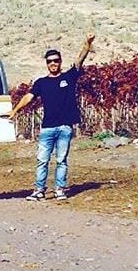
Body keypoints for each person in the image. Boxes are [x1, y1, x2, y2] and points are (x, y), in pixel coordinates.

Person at [6, 33, 95, 202]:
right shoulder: (41, 82)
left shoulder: (69, 77)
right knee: (42, 161)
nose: (53, 63)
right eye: (49, 61)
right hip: (47, 128)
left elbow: (80, 59)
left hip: (65, 128)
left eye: (56, 60)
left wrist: (87, 43)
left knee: (61, 160)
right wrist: (15, 110)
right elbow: (28, 97)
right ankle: (39, 190)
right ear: (46, 64)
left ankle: (59, 189)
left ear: (60, 62)